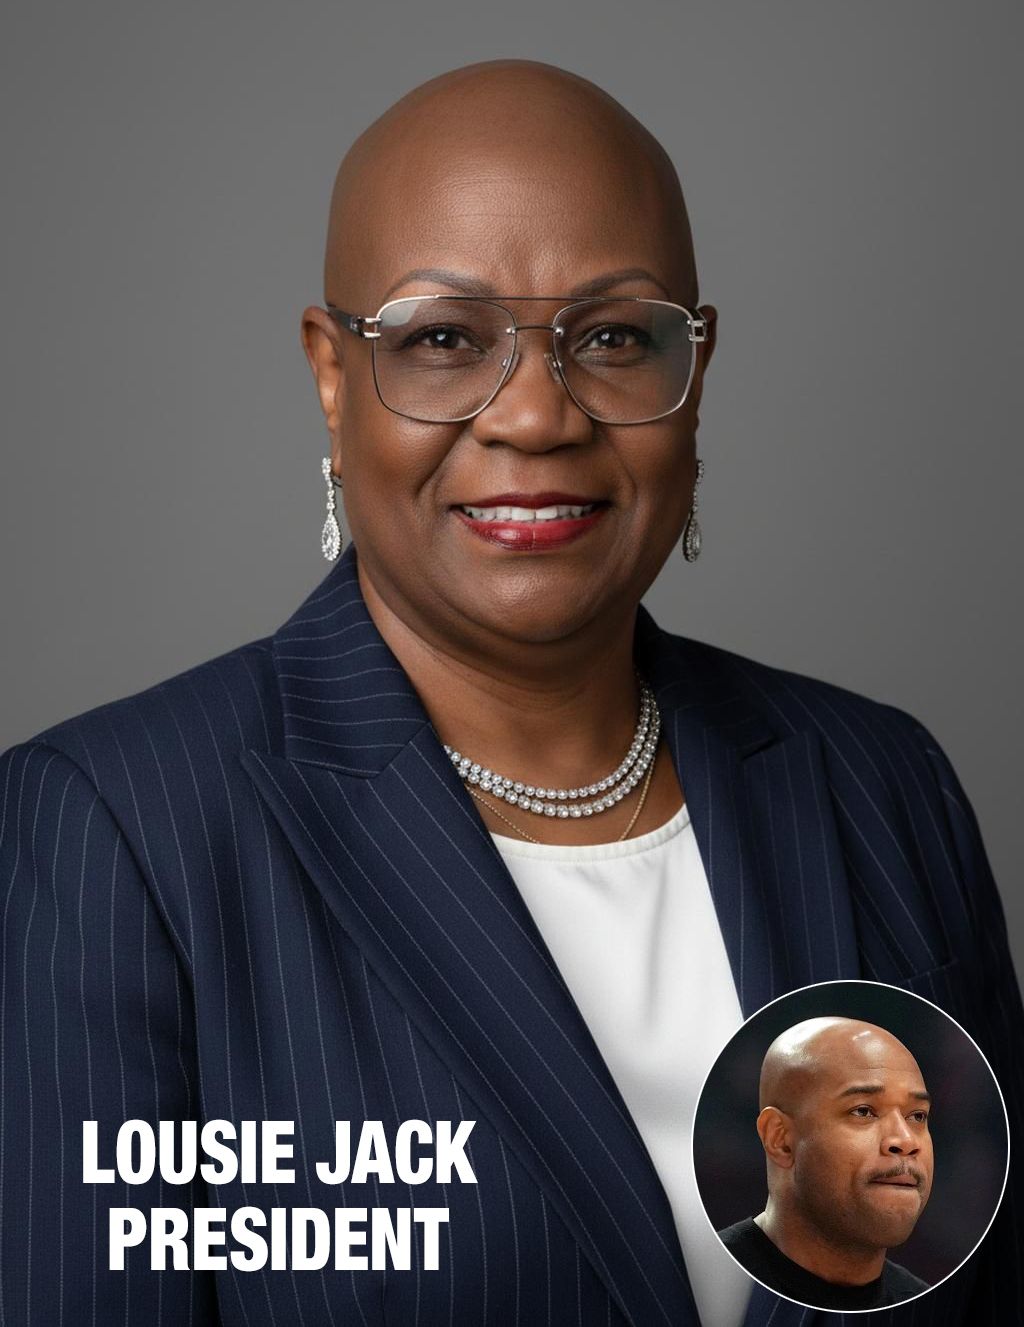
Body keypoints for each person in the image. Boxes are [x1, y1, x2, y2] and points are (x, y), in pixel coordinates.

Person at [1, 58, 1021, 1327]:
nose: (536, 414)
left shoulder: (880, 782)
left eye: (611, 337)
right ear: (330, 376)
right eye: (441, 340)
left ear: (693, 370)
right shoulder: (113, 837)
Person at [718, 1017, 934, 1311]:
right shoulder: (696, 1285)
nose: (906, 1140)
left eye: (917, 1116)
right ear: (779, 1139)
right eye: (863, 1111)